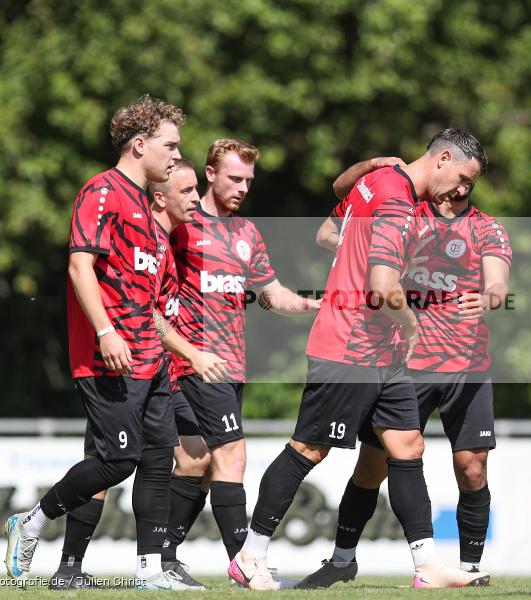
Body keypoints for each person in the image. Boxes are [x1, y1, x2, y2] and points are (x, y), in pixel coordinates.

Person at [228, 128, 491, 591]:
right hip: (351, 345)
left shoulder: (379, 179)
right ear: (443, 159)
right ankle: (251, 555)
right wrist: (412, 325)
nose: (462, 190)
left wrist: (367, 170)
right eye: (463, 178)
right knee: (309, 449)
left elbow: (328, 228)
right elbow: (383, 289)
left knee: (407, 447)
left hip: (380, 350)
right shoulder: (397, 200)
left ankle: (427, 565)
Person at [298, 155, 511, 589]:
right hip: (406, 364)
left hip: (467, 368)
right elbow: (337, 218)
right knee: (371, 468)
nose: (459, 190)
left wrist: (490, 297)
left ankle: (470, 569)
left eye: (468, 184)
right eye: (458, 180)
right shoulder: (405, 211)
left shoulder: (486, 228)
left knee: (472, 467)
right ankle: (341, 560)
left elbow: (498, 284)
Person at [3, 95, 187, 589]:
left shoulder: (148, 209)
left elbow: (146, 296)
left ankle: (149, 573)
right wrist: (106, 332)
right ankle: (32, 521)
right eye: (170, 145)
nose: (176, 155)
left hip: (150, 358)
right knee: (117, 462)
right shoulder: (101, 191)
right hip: (110, 357)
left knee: (158, 459)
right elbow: (79, 266)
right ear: (140, 145)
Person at [47, 159, 227, 590]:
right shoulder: (133, 225)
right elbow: (144, 313)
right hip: (123, 363)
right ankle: (63, 557)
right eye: (187, 191)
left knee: (174, 457)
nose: (196, 199)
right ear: (159, 198)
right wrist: (192, 353)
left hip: (158, 367)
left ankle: (156, 564)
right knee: (111, 462)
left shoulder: (169, 242)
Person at [163, 139, 320, 580]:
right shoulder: (182, 225)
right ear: (210, 174)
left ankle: (162, 558)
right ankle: (247, 565)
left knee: (197, 463)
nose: (243, 188)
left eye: (248, 180)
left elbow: (272, 296)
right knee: (232, 456)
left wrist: (318, 305)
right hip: (197, 363)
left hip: (233, 367)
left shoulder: (247, 233)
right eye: (234, 178)